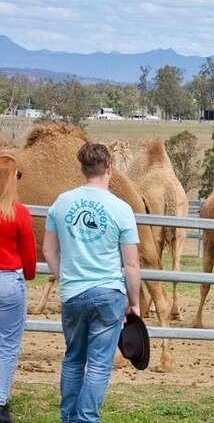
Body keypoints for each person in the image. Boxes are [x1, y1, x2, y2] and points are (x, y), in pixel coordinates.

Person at [42, 142, 141, 423]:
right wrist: (133, 302)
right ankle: (86, 419)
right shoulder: (121, 209)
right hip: (108, 294)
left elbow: (49, 250)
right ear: (109, 168)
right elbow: (131, 264)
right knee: (98, 365)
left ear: (83, 169)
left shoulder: (61, 203)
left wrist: (68, 278)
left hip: (73, 294)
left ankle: (69, 417)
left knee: (73, 358)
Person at [0, 155, 36, 423]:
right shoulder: (19, 213)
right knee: (8, 345)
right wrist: (30, 275)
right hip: (9, 282)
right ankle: (0, 403)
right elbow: (30, 256)